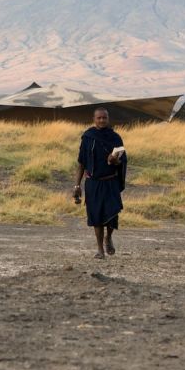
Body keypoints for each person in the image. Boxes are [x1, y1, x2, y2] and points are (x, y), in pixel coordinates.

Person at [73, 107, 127, 259]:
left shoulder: (115, 137)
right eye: (99, 118)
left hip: (110, 182)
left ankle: (108, 237)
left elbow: (123, 160)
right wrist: (77, 186)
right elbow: (81, 164)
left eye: (104, 118)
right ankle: (99, 250)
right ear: (94, 119)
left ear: (108, 119)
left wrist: (115, 160)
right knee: (96, 217)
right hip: (93, 183)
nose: (102, 120)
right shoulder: (88, 137)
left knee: (112, 214)